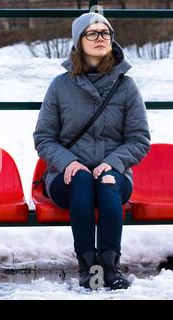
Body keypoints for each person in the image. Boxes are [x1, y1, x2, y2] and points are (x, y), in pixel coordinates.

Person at [33, 12, 150, 290]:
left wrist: (112, 163)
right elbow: (44, 138)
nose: (101, 38)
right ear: (78, 41)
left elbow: (139, 139)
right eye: (92, 33)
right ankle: (88, 266)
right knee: (82, 180)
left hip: (114, 173)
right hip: (66, 176)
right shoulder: (60, 86)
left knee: (107, 183)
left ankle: (110, 266)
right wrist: (69, 162)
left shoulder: (126, 87)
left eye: (105, 33)